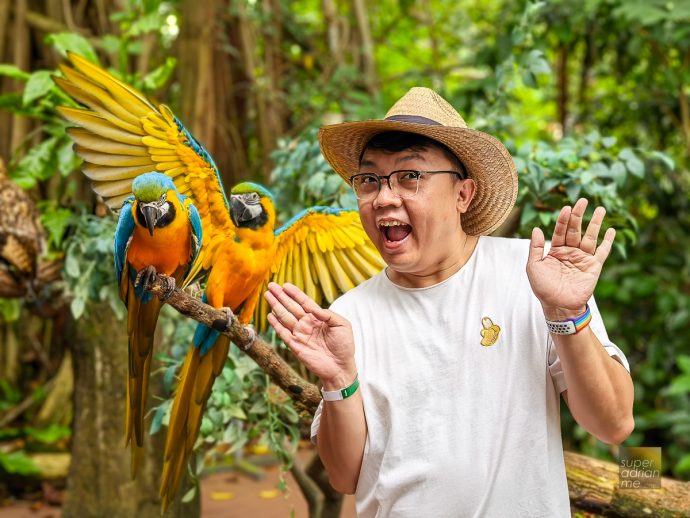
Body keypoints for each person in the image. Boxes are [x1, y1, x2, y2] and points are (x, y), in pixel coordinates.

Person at [264, 87, 634, 517]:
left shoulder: (533, 277)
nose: (384, 198)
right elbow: (345, 476)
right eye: (369, 180)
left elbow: (614, 424)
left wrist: (567, 314)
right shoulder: (348, 316)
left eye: (410, 176)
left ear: (463, 195)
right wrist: (337, 380)